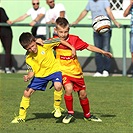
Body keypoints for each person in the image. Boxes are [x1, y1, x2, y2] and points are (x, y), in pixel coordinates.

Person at [54, 17, 112, 124]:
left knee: (83, 95)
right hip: (63, 72)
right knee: (68, 88)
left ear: (69, 30)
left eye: (66, 31)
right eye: (60, 32)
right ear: (55, 30)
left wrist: (103, 52)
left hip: (76, 72)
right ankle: (70, 113)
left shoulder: (74, 39)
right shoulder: (54, 41)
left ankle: (87, 115)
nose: (63, 34)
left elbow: (88, 46)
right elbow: (42, 43)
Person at [11, 32, 76, 123]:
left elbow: (59, 40)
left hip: (54, 71)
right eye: (29, 48)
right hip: (40, 75)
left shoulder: (44, 44)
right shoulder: (28, 57)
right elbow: (31, 71)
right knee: (27, 93)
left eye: (33, 46)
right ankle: (21, 117)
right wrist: (28, 77)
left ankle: (57, 107)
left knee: (58, 86)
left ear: (34, 41)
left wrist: (72, 47)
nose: (32, 49)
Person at [72, 0, 121, 77]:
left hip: (105, 29)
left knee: (105, 49)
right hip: (96, 30)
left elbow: (109, 12)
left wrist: (115, 22)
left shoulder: (104, 1)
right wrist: (76, 21)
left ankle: (106, 70)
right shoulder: (90, 2)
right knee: (96, 49)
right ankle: (99, 70)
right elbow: (85, 11)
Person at [0, 7, 15, 73]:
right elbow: (7, 21)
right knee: (8, 49)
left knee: (7, 49)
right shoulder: (1, 10)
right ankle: (8, 67)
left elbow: (6, 20)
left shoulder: (1, 10)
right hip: (5, 32)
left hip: (5, 32)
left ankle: (9, 66)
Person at [123, 0, 133, 78]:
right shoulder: (131, 7)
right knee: (132, 52)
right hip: (132, 32)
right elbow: (125, 14)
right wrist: (130, 5)